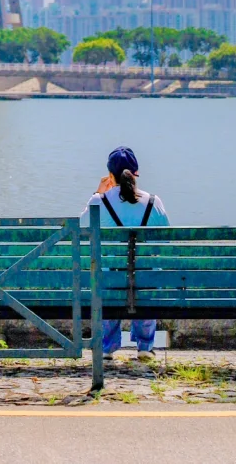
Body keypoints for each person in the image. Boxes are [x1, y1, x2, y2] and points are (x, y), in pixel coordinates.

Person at [83, 145, 168, 357]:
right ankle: (144, 347)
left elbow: (80, 229)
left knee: (109, 276)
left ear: (110, 176)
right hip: (144, 281)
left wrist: (98, 192)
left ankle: (107, 348)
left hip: (112, 281)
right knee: (146, 273)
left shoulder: (98, 202)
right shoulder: (153, 203)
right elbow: (166, 241)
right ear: (136, 174)